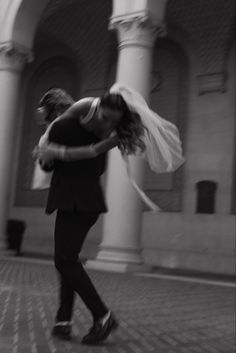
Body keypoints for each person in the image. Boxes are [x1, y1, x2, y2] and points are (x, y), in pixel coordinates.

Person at [34, 87, 146, 345]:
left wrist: (46, 153)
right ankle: (63, 321)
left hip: (72, 203)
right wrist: (48, 151)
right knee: (69, 260)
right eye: (105, 117)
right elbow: (93, 160)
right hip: (89, 205)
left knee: (64, 261)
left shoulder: (63, 131)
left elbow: (49, 163)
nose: (106, 123)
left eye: (112, 120)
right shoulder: (97, 133)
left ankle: (103, 316)